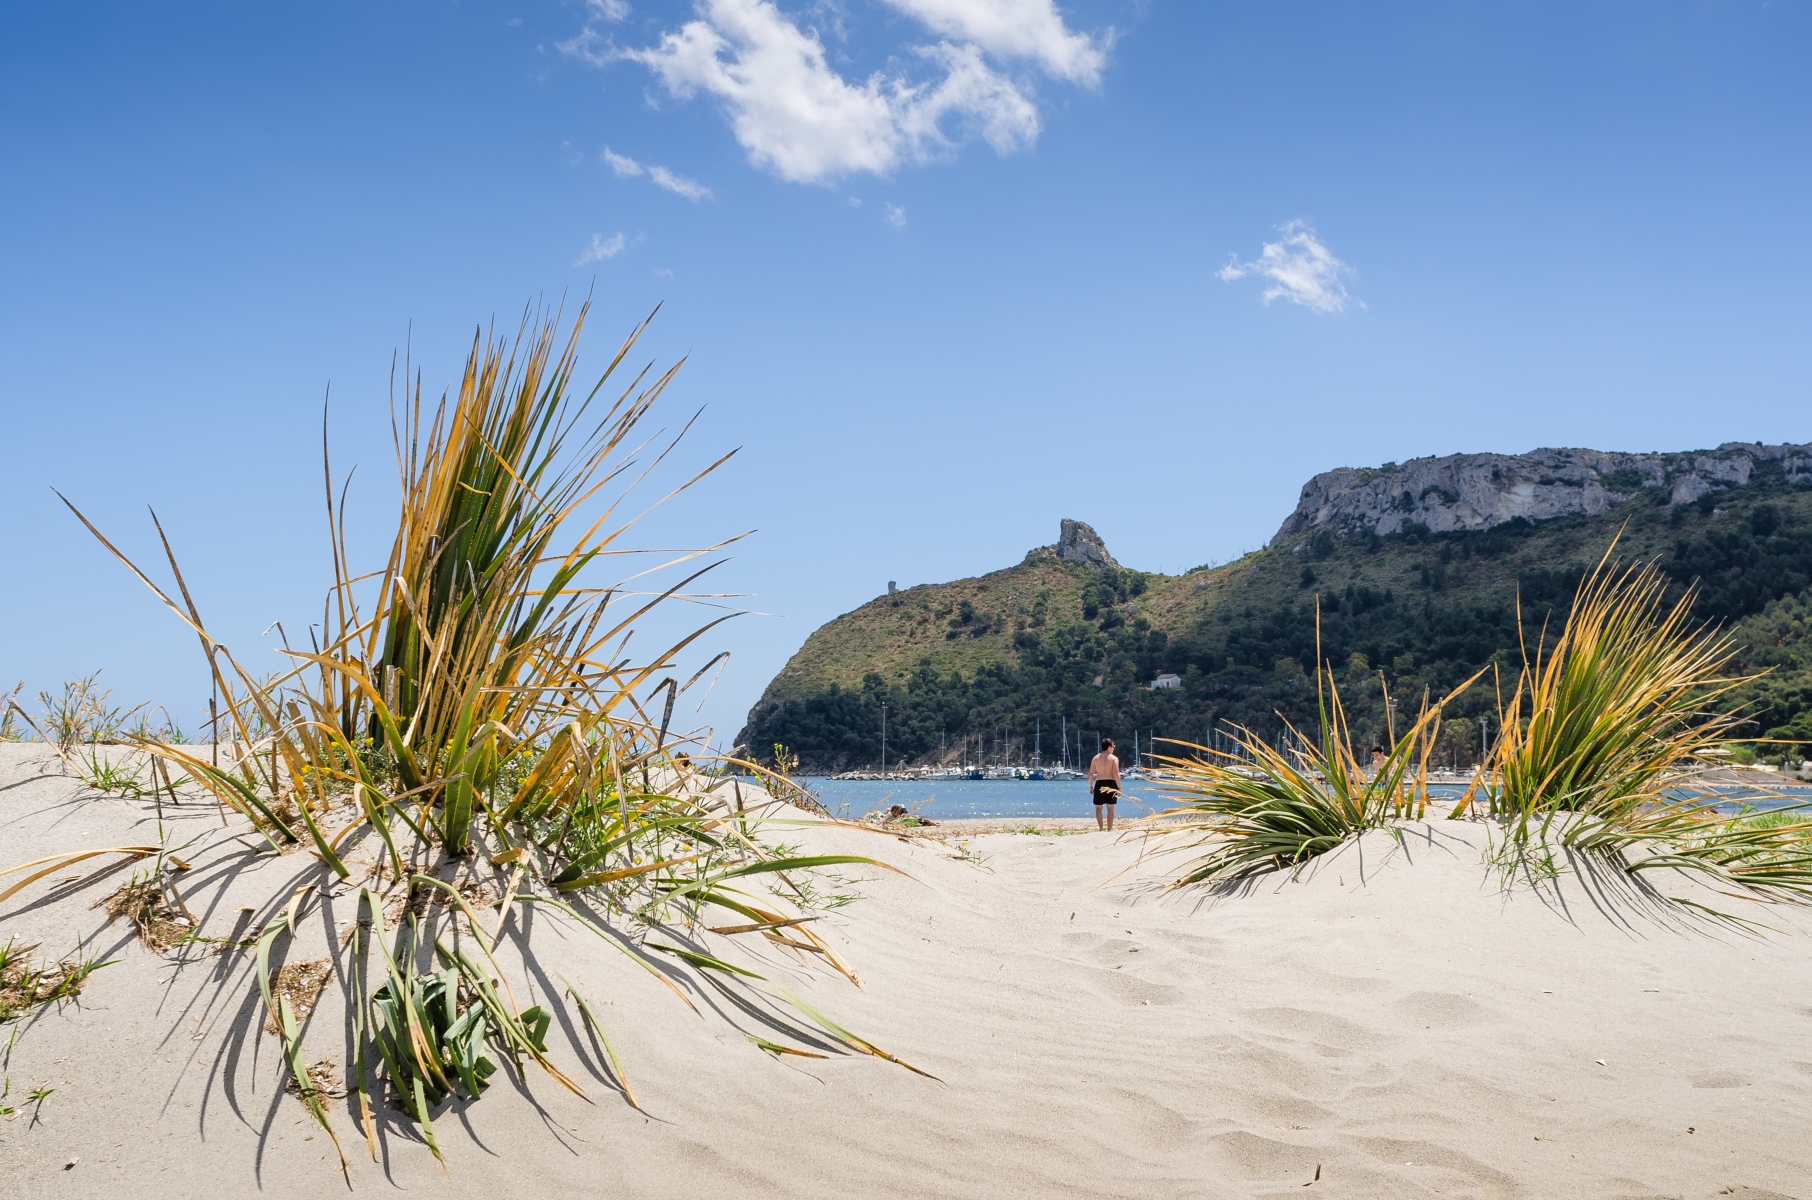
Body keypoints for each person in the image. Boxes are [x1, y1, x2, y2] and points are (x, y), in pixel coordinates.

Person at [1088, 737, 1122, 831]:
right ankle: (1109, 829)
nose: (1114, 748)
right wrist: (1119, 787)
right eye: (1113, 746)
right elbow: (1116, 773)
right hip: (1111, 783)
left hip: (1099, 783)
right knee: (1110, 808)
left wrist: (1091, 786)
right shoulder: (1113, 758)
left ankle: (1100, 828)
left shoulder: (1096, 758)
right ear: (1109, 747)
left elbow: (1091, 774)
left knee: (1098, 808)